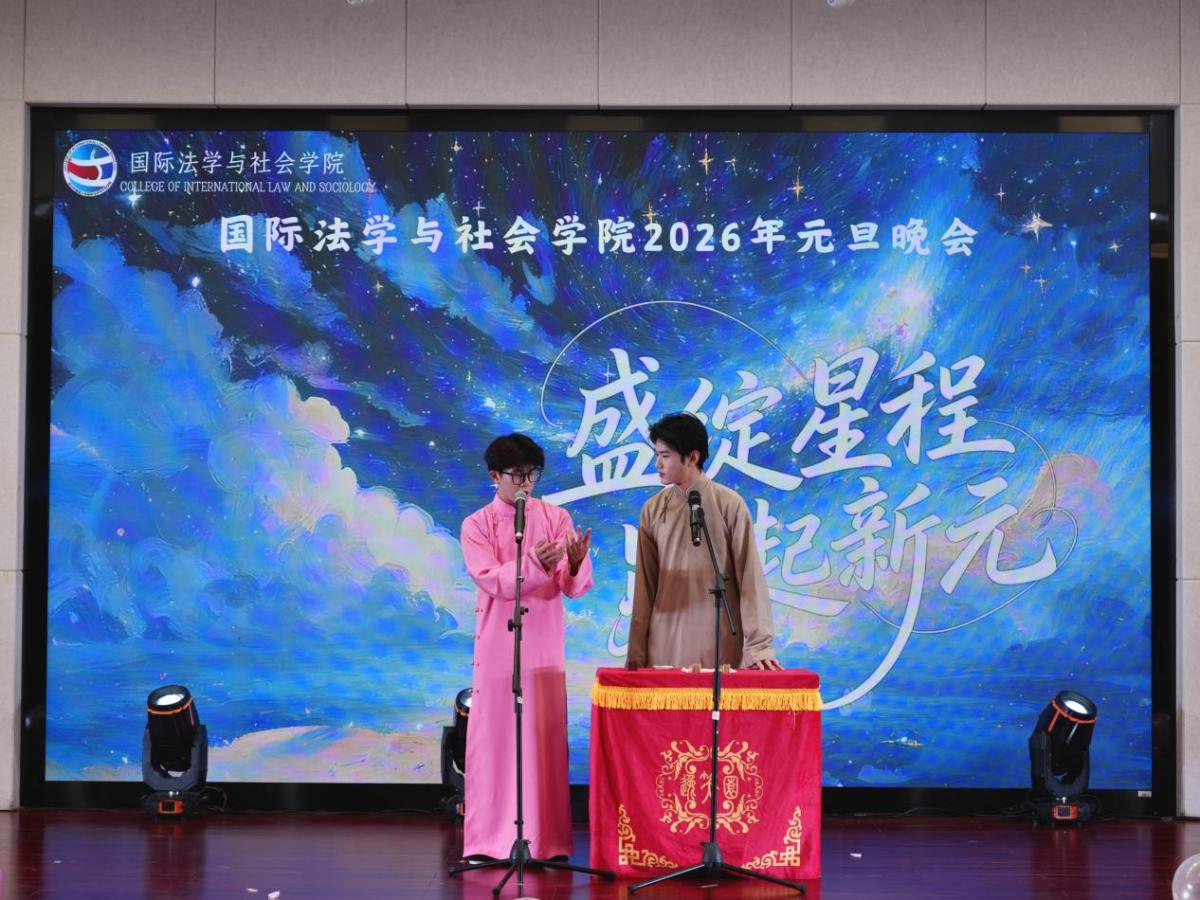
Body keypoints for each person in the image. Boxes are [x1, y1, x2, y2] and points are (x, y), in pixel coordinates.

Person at [458, 433, 593, 860]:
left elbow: (572, 585)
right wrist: (535, 562)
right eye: (517, 475)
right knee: (495, 739)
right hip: (499, 644)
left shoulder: (555, 517)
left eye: (532, 474)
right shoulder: (477, 524)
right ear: (494, 476)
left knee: (542, 739)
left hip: (543, 646)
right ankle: (488, 841)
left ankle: (547, 841)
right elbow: (492, 579)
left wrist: (574, 562)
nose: (526, 483)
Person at [626, 412, 782, 671]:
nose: (657, 464)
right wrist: (636, 656)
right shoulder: (653, 510)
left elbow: (750, 578)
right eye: (657, 455)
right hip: (664, 644)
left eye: (665, 456)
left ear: (692, 457)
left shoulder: (729, 504)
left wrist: (759, 647)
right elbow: (645, 587)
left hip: (719, 641)